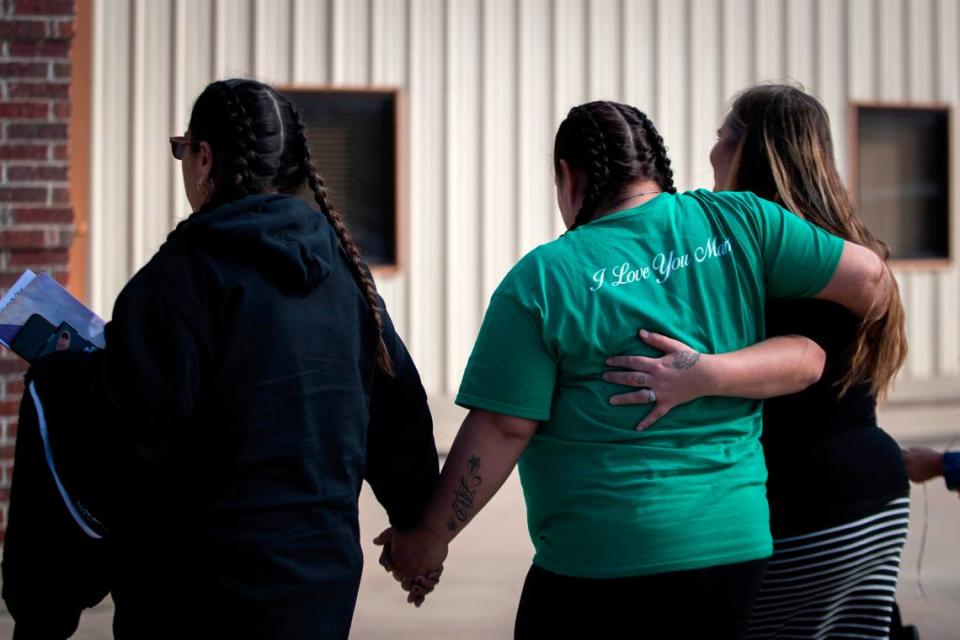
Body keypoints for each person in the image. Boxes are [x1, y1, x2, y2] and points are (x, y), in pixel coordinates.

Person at [374, 100, 894, 639]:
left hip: (603, 564)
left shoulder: (545, 278)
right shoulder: (740, 220)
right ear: (655, 165)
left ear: (568, 177)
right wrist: (786, 356)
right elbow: (872, 282)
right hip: (732, 554)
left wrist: (433, 535)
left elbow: (504, 427)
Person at [1, 78, 439, 640]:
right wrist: (416, 526)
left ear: (204, 158)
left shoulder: (179, 280)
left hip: (194, 598)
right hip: (318, 590)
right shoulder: (345, 275)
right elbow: (399, 408)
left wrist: (64, 376)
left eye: (183, 150)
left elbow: (127, 448)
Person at [605, 84, 911, 639]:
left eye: (724, 135)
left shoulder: (767, 258)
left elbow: (809, 359)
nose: (712, 150)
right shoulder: (846, 248)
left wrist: (700, 375)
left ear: (755, 150)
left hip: (803, 512)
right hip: (877, 497)